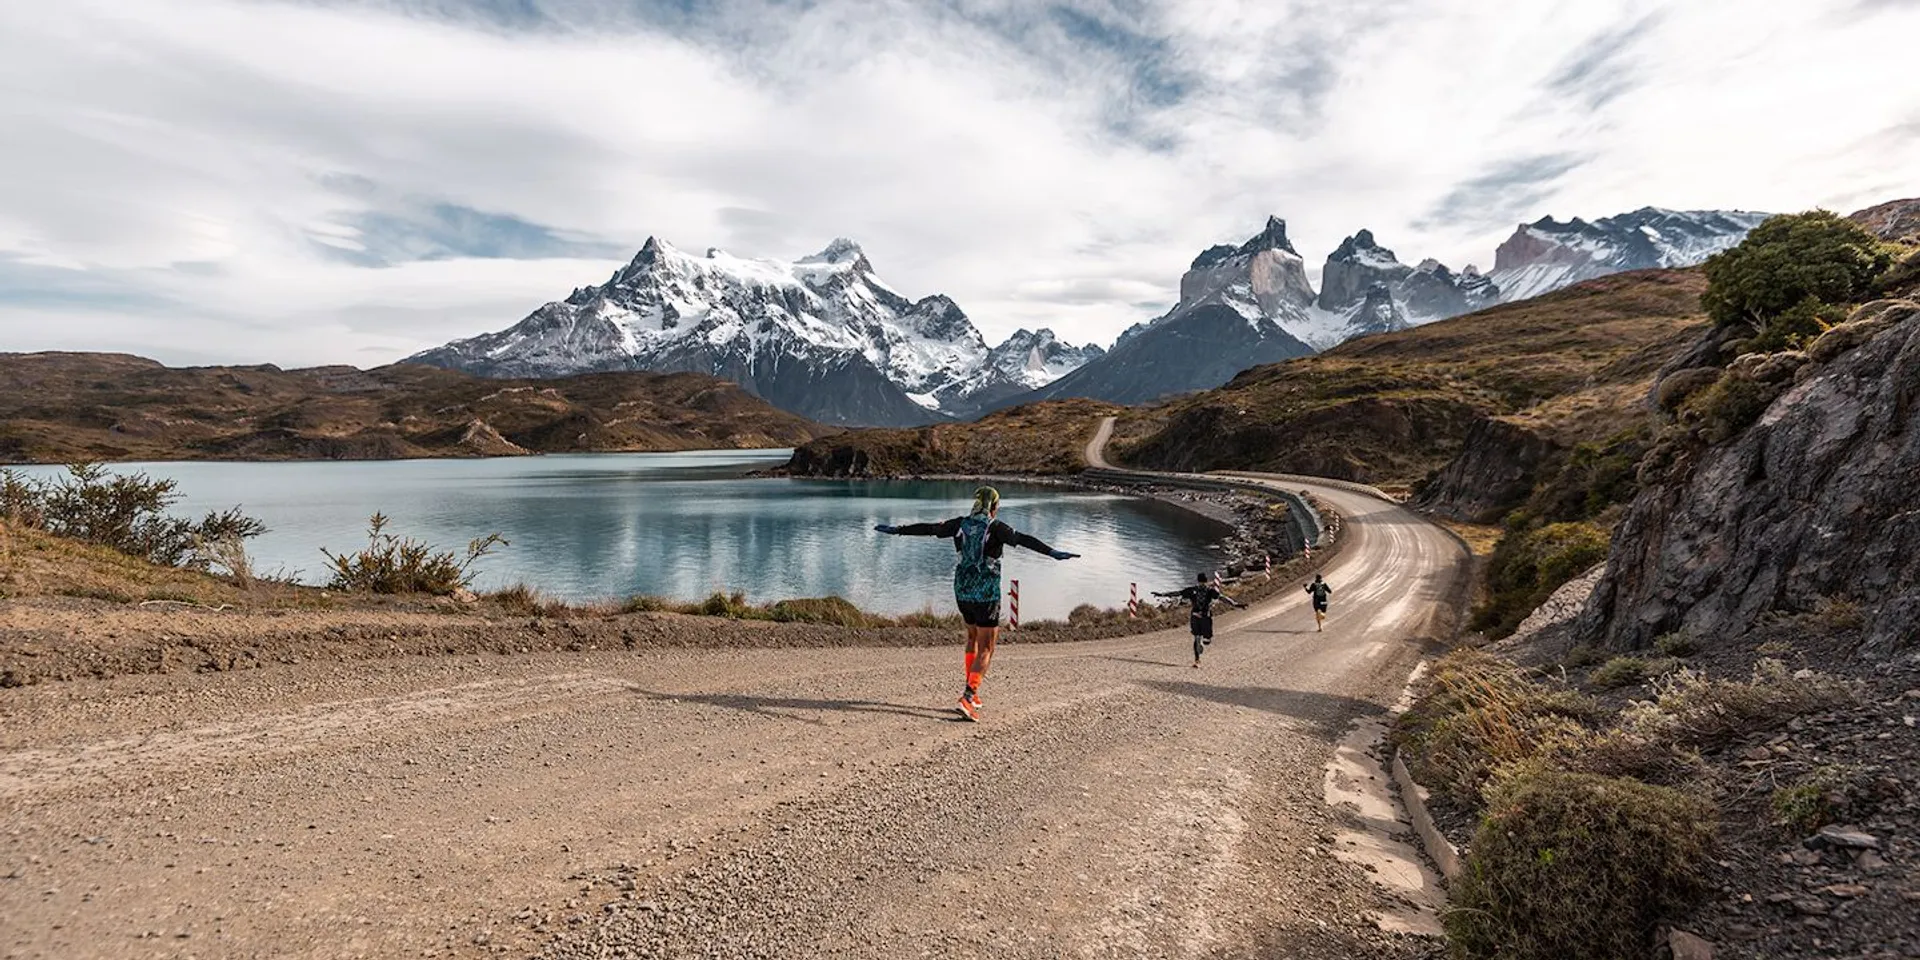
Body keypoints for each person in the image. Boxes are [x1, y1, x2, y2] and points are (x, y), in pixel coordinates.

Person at [874, 486, 1078, 721]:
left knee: (972, 639)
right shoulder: (996, 528)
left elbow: (930, 529)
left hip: (962, 592)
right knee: (987, 648)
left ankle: (974, 691)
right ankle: (968, 697)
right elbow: (1023, 540)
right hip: (986, 596)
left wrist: (898, 530)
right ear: (994, 506)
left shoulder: (959, 524)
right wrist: (1052, 552)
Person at [1155, 572, 1244, 668]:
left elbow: (1178, 593)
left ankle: (1198, 655)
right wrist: (1235, 604)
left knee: (1200, 637)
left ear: (1198, 581)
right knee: (1202, 638)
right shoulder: (1210, 590)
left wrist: (1162, 594)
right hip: (1204, 616)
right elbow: (1223, 598)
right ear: (1206, 581)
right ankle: (1197, 657)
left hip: (1197, 615)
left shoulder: (1194, 590)